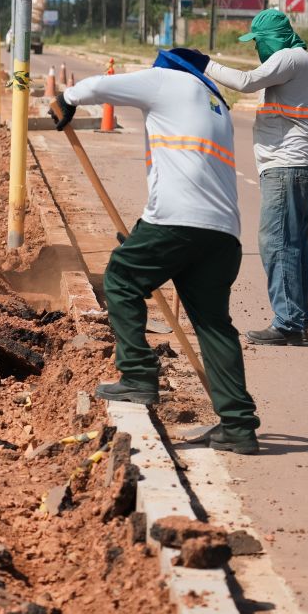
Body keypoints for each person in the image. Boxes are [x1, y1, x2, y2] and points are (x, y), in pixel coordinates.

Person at [53, 49, 262, 455]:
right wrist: (140, 236)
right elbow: (187, 169)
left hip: (179, 220)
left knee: (121, 278)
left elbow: (98, 86)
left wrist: (67, 98)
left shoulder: (170, 80)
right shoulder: (215, 102)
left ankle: (137, 376)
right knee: (215, 326)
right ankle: (238, 425)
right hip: (222, 234)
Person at [195, 8, 308, 345]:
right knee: (296, 245)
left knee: (277, 243)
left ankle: (287, 323)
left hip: (287, 166)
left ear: (273, 37)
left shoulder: (289, 58)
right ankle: (296, 318)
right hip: (304, 165)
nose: (256, 48)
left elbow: (246, 82)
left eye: (258, 41)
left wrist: (203, 63)